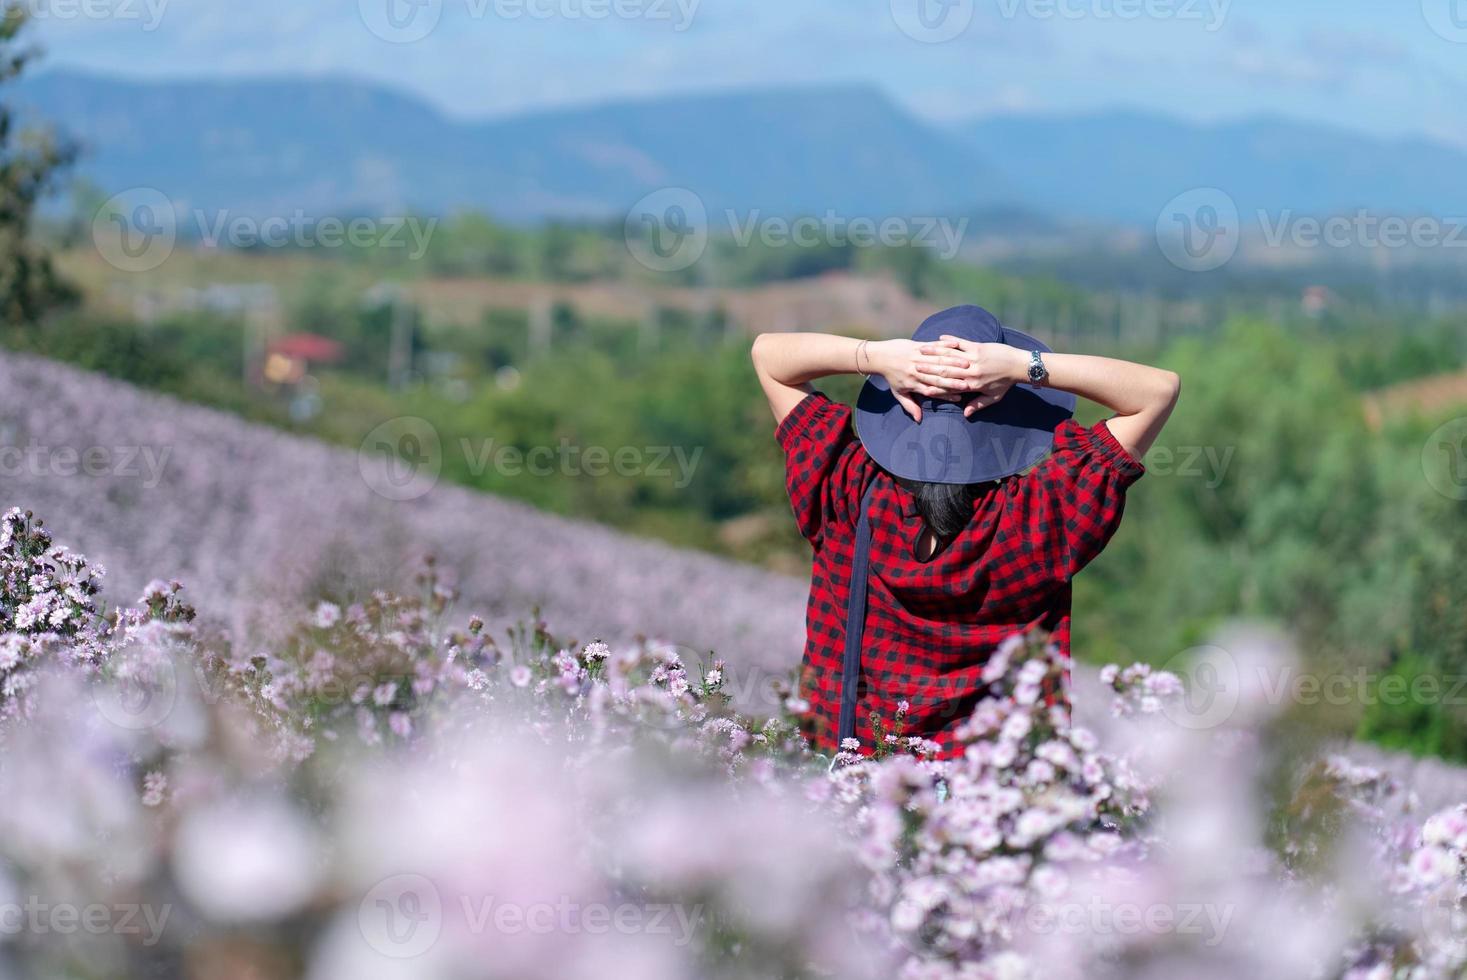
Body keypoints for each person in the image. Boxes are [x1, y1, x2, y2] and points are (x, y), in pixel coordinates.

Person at [751, 305, 1180, 757]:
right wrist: (1021, 366)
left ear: (900, 406)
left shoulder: (846, 487)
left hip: (850, 784)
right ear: (1009, 424)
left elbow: (769, 357)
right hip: (989, 798)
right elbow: (1158, 389)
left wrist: (880, 357)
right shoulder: (1040, 515)